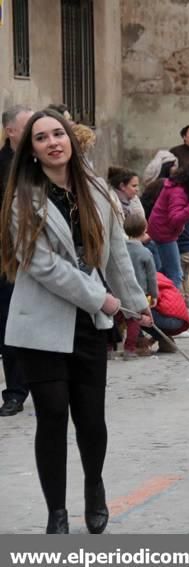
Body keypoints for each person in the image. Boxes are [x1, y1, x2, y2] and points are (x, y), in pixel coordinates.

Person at [0, 109, 152, 534]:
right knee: (51, 418)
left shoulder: (99, 192)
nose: (53, 142)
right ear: (30, 150)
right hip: (39, 326)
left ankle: (94, 490)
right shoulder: (22, 201)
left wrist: (136, 303)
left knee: (91, 418)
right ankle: (57, 512)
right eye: (42, 137)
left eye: (58, 134)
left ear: (70, 139)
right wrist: (100, 298)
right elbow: (42, 266)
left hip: (88, 327)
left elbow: (118, 254)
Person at [0, 104, 33, 417]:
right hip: (8, 258)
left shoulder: (41, 163)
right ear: (11, 131)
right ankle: (15, 392)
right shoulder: (2, 165)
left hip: (43, 257)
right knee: (9, 324)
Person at [147, 161, 189, 288]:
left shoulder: (178, 188)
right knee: (175, 275)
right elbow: (176, 219)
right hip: (164, 234)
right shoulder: (178, 192)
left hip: (163, 231)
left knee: (163, 271)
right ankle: (174, 304)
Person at [122, 214, 158, 359]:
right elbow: (152, 276)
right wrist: (154, 294)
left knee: (116, 319)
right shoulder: (145, 252)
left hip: (119, 290)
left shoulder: (121, 250)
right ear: (145, 229)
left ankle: (109, 347)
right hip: (139, 291)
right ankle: (129, 348)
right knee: (134, 321)